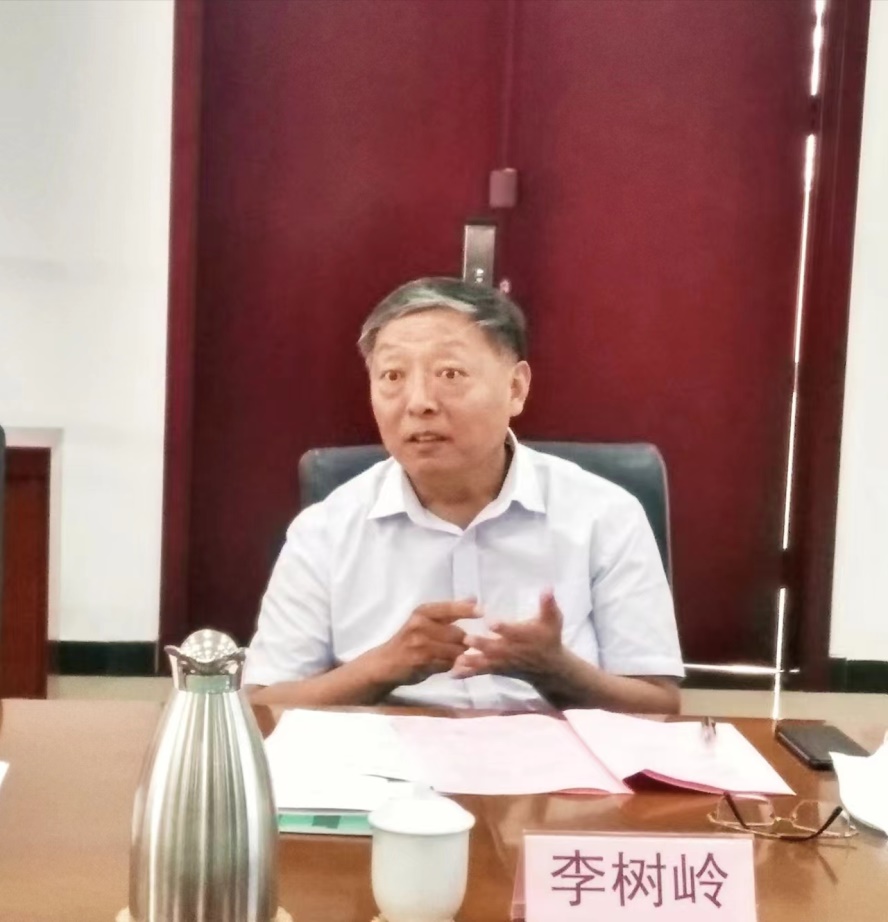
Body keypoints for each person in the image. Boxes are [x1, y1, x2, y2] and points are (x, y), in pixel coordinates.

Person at [244, 278, 684, 712]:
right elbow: (264, 704)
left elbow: (657, 702)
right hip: (384, 754)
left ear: (516, 388)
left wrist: (559, 672)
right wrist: (382, 667)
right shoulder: (324, 530)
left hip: (550, 754)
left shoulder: (605, 515)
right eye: (392, 376)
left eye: (450, 374)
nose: (419, 402)